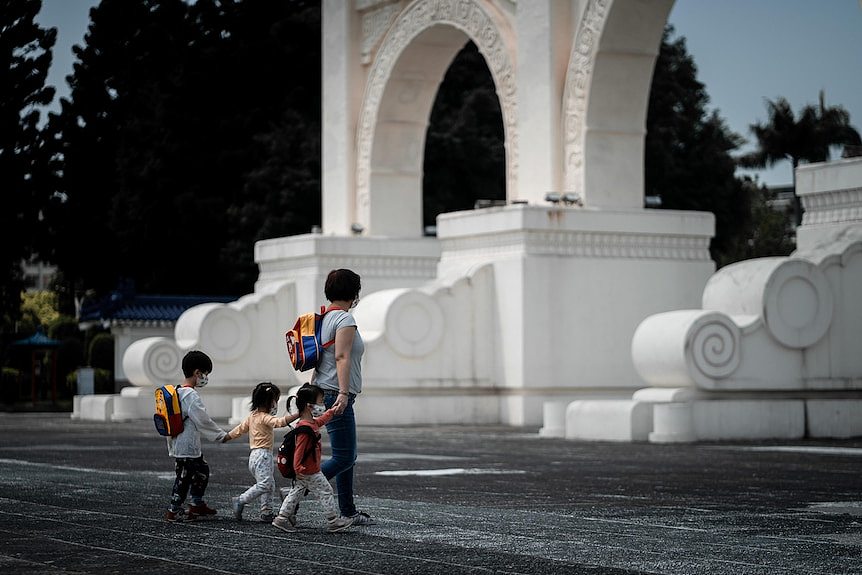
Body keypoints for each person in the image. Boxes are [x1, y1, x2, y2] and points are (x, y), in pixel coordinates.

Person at [312, 268, 375, 525]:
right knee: (345, 457)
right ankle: (299, 488)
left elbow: (320, 358)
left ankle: (348, 510)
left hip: (322, 390)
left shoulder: (323, 318)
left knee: (346, 454)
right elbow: (341, 357)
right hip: (335, 393)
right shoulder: (345, 320)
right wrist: (343, 392)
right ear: (354, 292)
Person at [272, 383, 353, 533]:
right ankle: (333, 521)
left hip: (305, 470)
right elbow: (299, 452)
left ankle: (281, 518)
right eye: (321, 402)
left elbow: (320, 421)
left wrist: (331, 412)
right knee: (326, 491)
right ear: (310, 406)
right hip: (309, 470)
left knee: (295, 493)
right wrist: (298, 468)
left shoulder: (310, 423)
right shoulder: (305, 429)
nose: (323, 404)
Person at [164, 350, 227, 522]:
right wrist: (221, 435)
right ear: (197, 373)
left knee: (202, 471)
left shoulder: (177, 391)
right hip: (187, 444)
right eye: (205, 374)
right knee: (184, 478)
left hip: (178, 443)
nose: (205, 378)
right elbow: (203, 420)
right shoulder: (190, 395)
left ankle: (197, 504)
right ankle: (173, 510)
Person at [223, 382, 299, 522]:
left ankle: (266, 511)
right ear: (268, 402)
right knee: (265, 484)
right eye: (275, 400)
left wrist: (227, 437)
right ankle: (240, 500)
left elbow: (239, 429)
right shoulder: (264, 417)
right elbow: (280, 422)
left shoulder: (252, 416)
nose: (276, 404)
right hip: (262, 456)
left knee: (269, 484)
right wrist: (298, 414)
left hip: (256, 456)